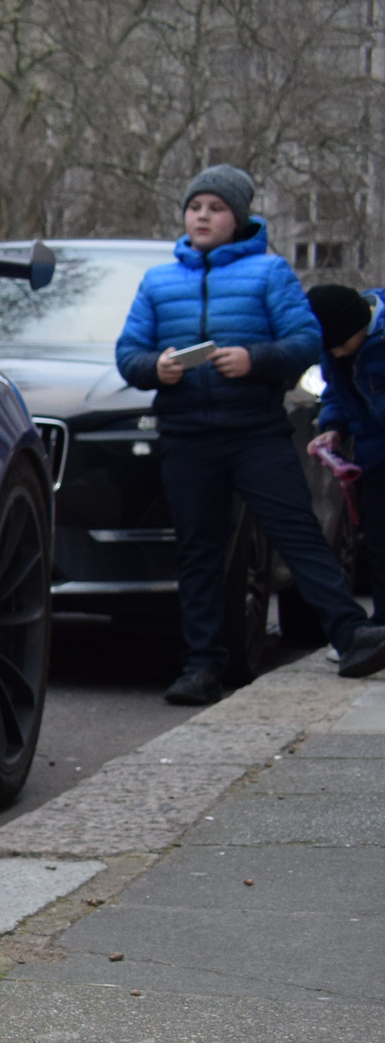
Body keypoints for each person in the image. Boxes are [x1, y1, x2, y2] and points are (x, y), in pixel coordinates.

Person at [114, 165, 385, 702]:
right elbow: (128, 354)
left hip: (255, 430)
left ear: (237, 218)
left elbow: (306, 339)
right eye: (196, 208)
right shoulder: (158, 282)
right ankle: (201, 667)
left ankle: (353, 635)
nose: (203, 217)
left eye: (215, 209)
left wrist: (255, 358)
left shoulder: (269, 273)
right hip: (187, 434)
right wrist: (156, 368)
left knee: (296, 531)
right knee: (199, 550)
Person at [305, 281, 385, 598]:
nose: (336, 352)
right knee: (379, 544)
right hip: (375, 456)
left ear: (359, 325)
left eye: (340, 344)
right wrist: (333, 428)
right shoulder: (335, 347)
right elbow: (336, 394)